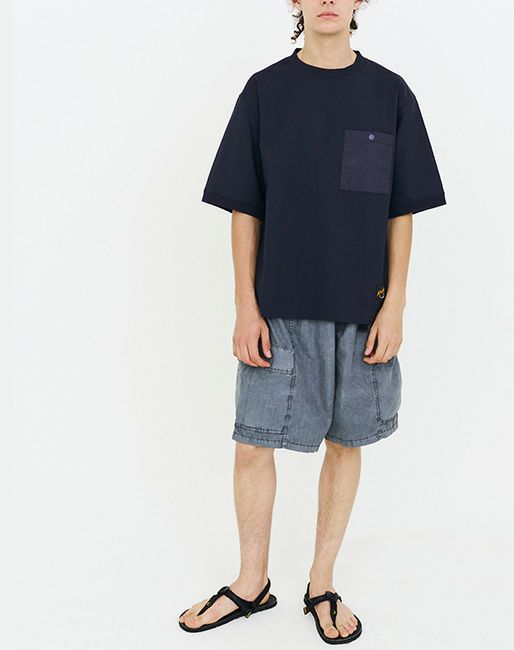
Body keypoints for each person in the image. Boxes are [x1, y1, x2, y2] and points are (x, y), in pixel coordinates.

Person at [178, 0, 446, 643]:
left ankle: (321, 583)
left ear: (360, 2)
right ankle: (251, 583)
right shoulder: (265, 91)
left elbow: (400, 211)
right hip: (278, 307)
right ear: (294, 2)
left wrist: (395, 305)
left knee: (347, 442)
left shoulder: (389, 94)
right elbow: (244, 208)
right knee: (252, 444)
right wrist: (245, 305)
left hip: (362, 309)